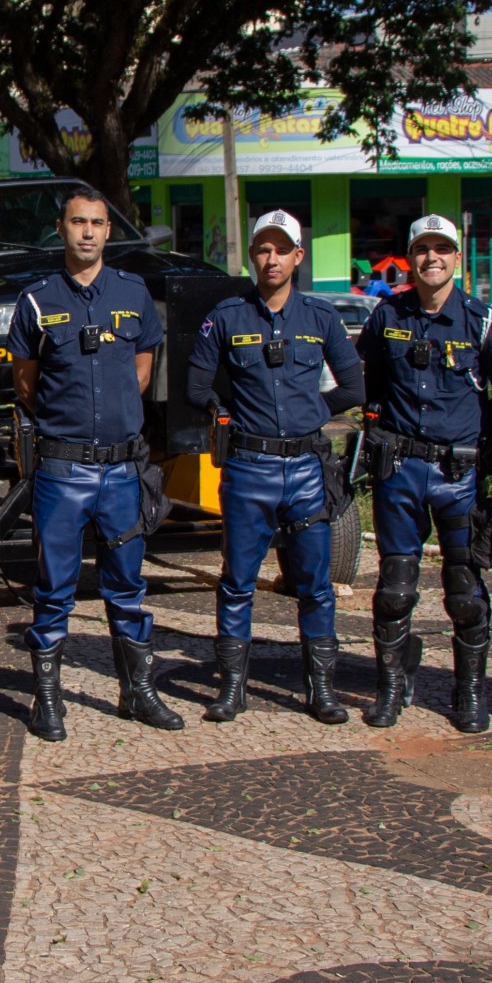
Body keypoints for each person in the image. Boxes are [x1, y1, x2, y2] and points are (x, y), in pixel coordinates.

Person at [186, 210, 365, 724]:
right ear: (252, 256)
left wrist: (314, 413)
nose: (272, 258)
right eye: (263, 249)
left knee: (316, 585)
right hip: (248, 469)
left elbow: (354, 387)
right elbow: (196, 385)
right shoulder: (226, 316)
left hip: (307, 469)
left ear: (298, 257)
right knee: (237, 581)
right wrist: (223, 413)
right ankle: (231, 688)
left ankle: (321, 690)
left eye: (282, 249)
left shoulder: (321, 317)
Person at [6, 185, 172, 739]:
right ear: (61, 229)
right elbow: (26, 383)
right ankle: (48, 699)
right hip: (62, 470)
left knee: (127, 586)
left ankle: (137, 691)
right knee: (54, 588)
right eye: (78, 222)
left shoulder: (133, 292)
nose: (88, 232)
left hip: (122, 470)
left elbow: (142, 371)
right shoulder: (37, 300)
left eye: (97, 223)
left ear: (108, 231)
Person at [359, 215, 492, 730]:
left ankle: (469, 691)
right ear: (411, 257)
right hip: (401, 469)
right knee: (395, 589)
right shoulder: (386, 315)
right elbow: (368, 384)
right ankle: (391, 687)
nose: (433, 258)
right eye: (423, 249)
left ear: (457, 256)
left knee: (465, 593)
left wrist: (486, 443)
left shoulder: (484, 321)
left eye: (442, 249)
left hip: (460, 474)